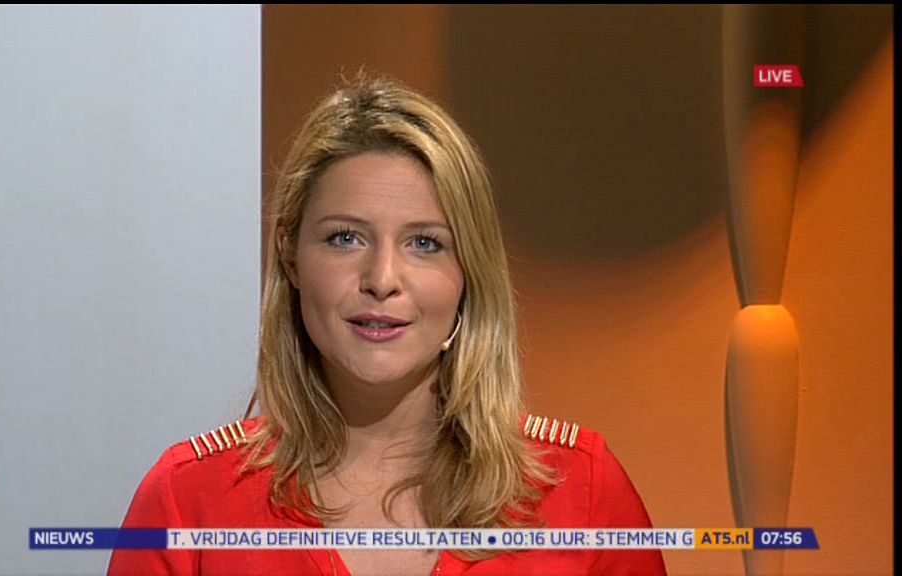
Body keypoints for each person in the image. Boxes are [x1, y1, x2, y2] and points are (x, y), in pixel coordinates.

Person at [108, 75, 667, 575]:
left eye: (425, 243)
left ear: (469, 270)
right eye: (345, 238)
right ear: (290, 255)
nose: (381, 279)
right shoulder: (187, 500)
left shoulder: (581, 490)